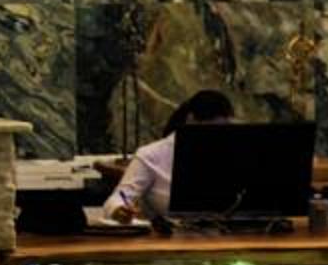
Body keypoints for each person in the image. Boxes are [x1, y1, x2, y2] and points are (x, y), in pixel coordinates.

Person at [98, 89, 235, 220]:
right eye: (212, 130)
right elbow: (117, 199)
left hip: (233, 232)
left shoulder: (231, 152)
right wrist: (119, 210)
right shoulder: (152, 155)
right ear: (191, 120)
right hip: (173, 234)